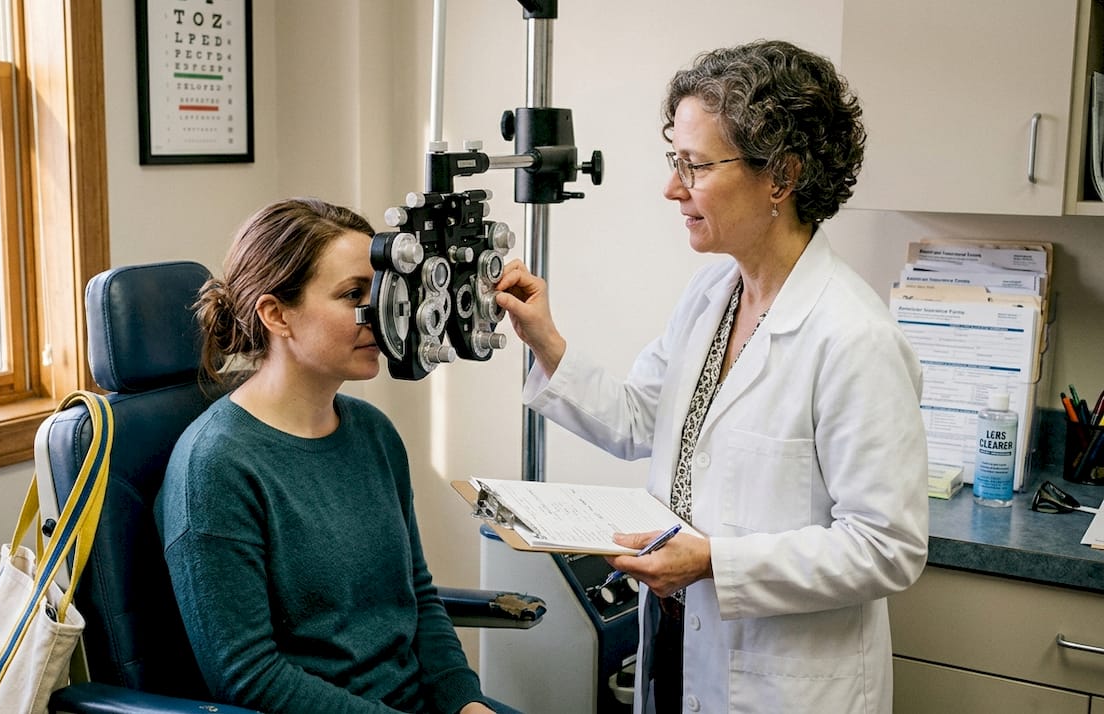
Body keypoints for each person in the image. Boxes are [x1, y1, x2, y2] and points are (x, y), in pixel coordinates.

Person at [495, 40, 928, 713]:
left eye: (695, 166)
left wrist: (715, 563)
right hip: (678, 647)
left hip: (784, 683)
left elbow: (887, 547)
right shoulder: (712, 296)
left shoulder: (853, 338)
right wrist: (545, 341)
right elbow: (641, 419)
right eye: (677, 162)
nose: (673, 188)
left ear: (780, 176)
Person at [155, 197, 514, 714]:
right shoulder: (216, 468)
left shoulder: (373, 432)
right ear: (276, 314)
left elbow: (417, 596)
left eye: (385, 290)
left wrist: (465, 702)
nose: (386, 313)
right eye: (354, 295)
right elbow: (249, 677)